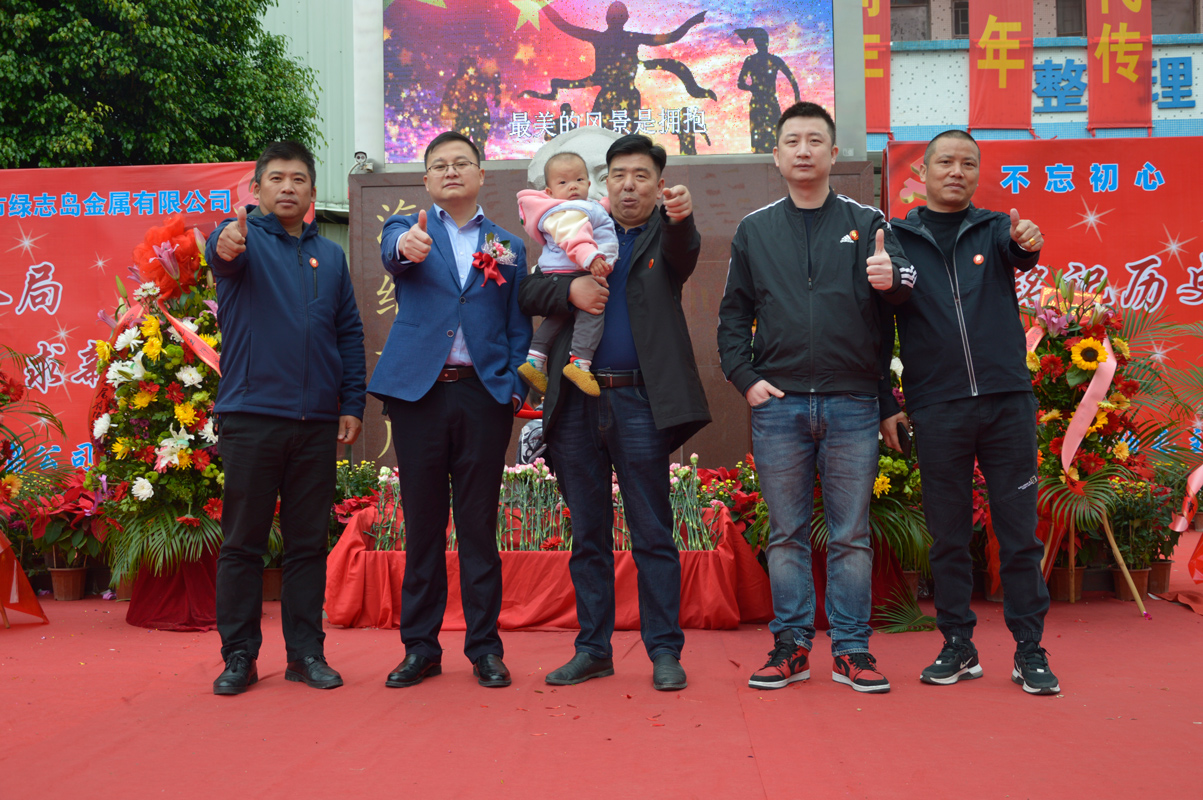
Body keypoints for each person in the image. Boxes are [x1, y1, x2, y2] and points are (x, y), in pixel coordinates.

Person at [717, 102, 914, 694]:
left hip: (852, 404)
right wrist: (745, 378)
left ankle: (852, 651)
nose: (803, 151)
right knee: (785, 534)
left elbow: (902, 295)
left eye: (814, 141)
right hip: (778, 406)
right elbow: (733, 318)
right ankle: (792, 646)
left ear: (833, 153)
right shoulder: (754, 229)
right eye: (792, 141)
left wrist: (893, 281)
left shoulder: (869, 221)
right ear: (777, 156)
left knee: (851, 534)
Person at [518, 134, 710, 691]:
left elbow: (684, 251)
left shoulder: (663, 235)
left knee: (652, 531)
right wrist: (571, 292)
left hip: (638, 402)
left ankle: (664, 651)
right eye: (618, 175)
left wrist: (680, 218)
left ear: (658, 184)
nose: (628, 185)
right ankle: (593, 650)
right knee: (589, 534)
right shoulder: (573, 226)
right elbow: (530, 292)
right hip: (576, 402)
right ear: (606, 181)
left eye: (641, 176)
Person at [880, 129, 1059, 695]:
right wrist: (887, 401)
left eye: (967, 164)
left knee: (1019, 534)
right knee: (949, 536)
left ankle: (1029, 649)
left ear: (977, 173)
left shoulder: (996, 229)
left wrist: (1028, 240)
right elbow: (879, 320)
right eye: (945, 162)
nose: (956, 172)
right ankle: (958, 644)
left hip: (1007, 402)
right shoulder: (896, 238)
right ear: (924, 171)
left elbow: (1023, 251)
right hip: (938, 406)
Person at [370, 131, 532, 689]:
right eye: (439, 165)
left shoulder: (508, 245)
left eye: (462, 162)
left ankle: (485, 648)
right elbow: (393, 250)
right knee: (423, 526)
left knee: (478, 526)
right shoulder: (408, 227)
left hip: (483, 396)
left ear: (481, 174)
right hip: (419, 396)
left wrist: (513, 389)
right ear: (427, 179)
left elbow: (518, 325)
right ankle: (420, 647)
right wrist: (405, 245)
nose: (451, 171)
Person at [207, 140, 366, 696]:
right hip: (252, 416)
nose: (288, 188)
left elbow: (348, 333)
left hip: (316, 422)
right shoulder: (243, 240)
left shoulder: (332, 257)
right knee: (243, 543)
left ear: (313, 192)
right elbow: (221, 252)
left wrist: (351, 403)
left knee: (307, 544)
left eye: (298, 179)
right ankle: (238, 656)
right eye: (276, 178)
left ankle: (306, 654)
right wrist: (225, 241)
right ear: (256, 188)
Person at [517, 151, 619, 397]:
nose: (573, 186)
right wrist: (591, 257)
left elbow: (597, 209)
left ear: (589, 183)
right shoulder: (567, 213)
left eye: (579, 180)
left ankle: (534, 360)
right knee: (592, 310)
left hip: (565, 270)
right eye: (563, 182)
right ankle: (580, 363)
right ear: (549, 192)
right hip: (576, 267)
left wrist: (609, 202)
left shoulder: (582, 206)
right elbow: (574, 237)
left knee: (558, 315)